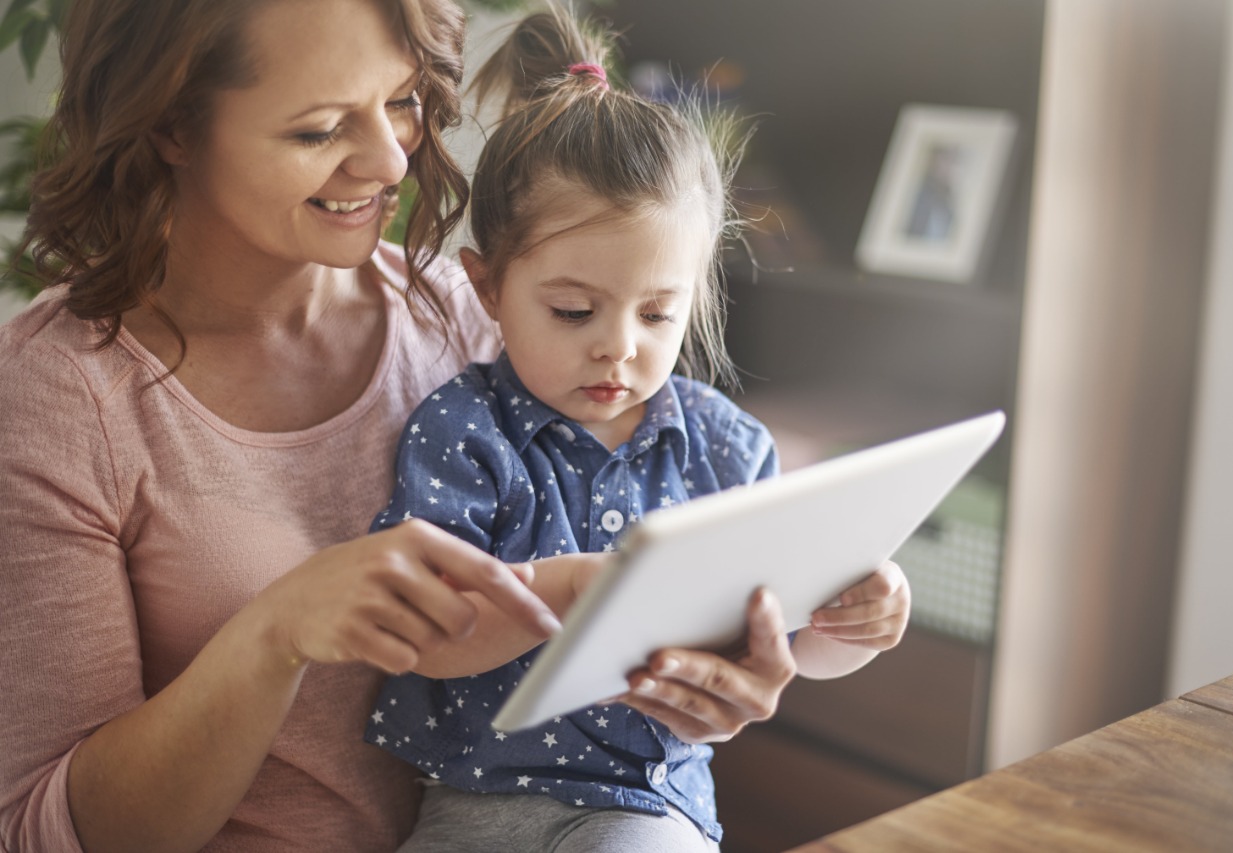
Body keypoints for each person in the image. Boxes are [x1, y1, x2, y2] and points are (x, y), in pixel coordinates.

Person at [0, 1, 809, 851]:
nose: (392, 162)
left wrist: (727, 661)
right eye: (318, 131)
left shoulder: (470, 319)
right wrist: (275, 635)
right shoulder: (58, 400)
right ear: (171, 123)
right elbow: (43, 833)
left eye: (403, 102)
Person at [363, 10, 912, 852]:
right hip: (472, 804)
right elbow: (422, 639)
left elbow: (787, 645)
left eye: (659, 313)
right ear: (487, 285)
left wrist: (852, 626)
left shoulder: (726, 448)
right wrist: (579, 590)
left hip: (647, 808)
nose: (618, 344)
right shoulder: (463, 430)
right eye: (573, 309)